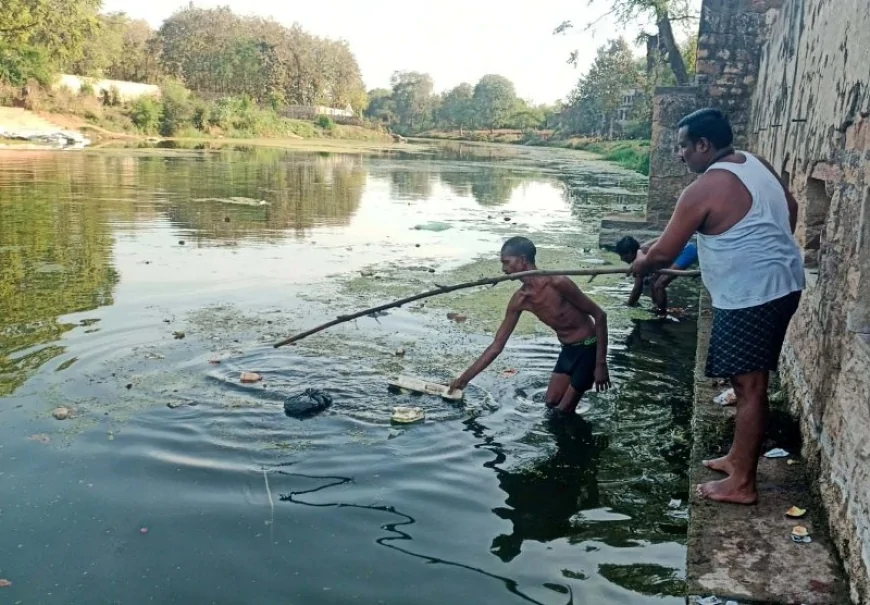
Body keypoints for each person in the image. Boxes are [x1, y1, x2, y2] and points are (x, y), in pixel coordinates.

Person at [629, 108, 804, 505]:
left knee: (749, 386)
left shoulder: (704, 188)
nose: (679, 155)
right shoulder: (756, 164)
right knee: (748, 382)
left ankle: (742, 482)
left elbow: (662, 255)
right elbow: (790, 209)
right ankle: (736, 459)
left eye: (682, 147)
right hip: (779, 284)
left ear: (703, 145)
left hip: (752, 295)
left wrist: (641, 263)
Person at [449, 236, 611, 414]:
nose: (504, 269)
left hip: (589, 348)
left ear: (522, 260)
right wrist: (464, 379)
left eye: (506, 262)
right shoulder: (520, 300)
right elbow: (496, 346)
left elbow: (599, 315)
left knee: (562, 413)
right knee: (550, 403)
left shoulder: (558, 283)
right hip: (568, 350)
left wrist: (600, 364)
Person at [615, 235, 699, 313]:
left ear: (629, 252)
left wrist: (628, 306)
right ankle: (655, 306)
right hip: (680, 252)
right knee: (653, 280)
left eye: (622, 256)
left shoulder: (639, 260)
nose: (622, 259)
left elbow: (637, 289)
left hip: (686, 251)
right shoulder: (640, 253)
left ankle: (662, 313)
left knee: (659, 285)